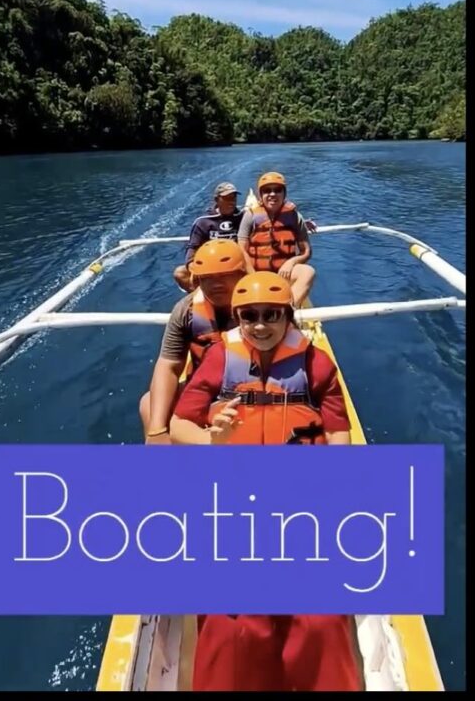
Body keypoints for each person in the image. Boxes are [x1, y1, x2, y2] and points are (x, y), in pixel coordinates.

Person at [168, 272, 361, 692]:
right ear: (238, 317)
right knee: (231, 618)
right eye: (250, 315)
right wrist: (210, 440)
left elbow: (338, 432)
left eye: (271, 314)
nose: (260, 324)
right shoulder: (219, 360)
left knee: (321, 619)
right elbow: (180, 423)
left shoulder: (317, 364)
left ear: (287, 316)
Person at [140, 240, 247, 444]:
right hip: (204, 390)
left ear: (241, 274)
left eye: (225, 275)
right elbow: (169, 366)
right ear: (197, 281)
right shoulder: (186, 310)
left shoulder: (262, 309)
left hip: (250, 392)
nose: (216, 284)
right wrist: (157, 429)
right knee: (148, 404)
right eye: (207, 278)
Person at [238, 172, 316, 308]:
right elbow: (241, 251)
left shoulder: (294, 217)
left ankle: (287, 310)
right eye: (267, 191)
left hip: (284, 273)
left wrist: (292, 262)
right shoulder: (250, 216)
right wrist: (253, 276)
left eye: (277, 190)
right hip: (255, 272)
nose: (273, 194)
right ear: (261, 195)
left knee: (308, 272)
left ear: (284, 194)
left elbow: (307, 252)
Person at [173, 182, 244, 292]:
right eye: (227, 198)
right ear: (216, 200)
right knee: (180, 273)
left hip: (235, 266)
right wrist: (192, 266)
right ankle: (202, 296)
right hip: (211, 266)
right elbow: (192, 247)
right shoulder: (203, 221)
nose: (231, 201)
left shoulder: (243, 217)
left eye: (233, 197)